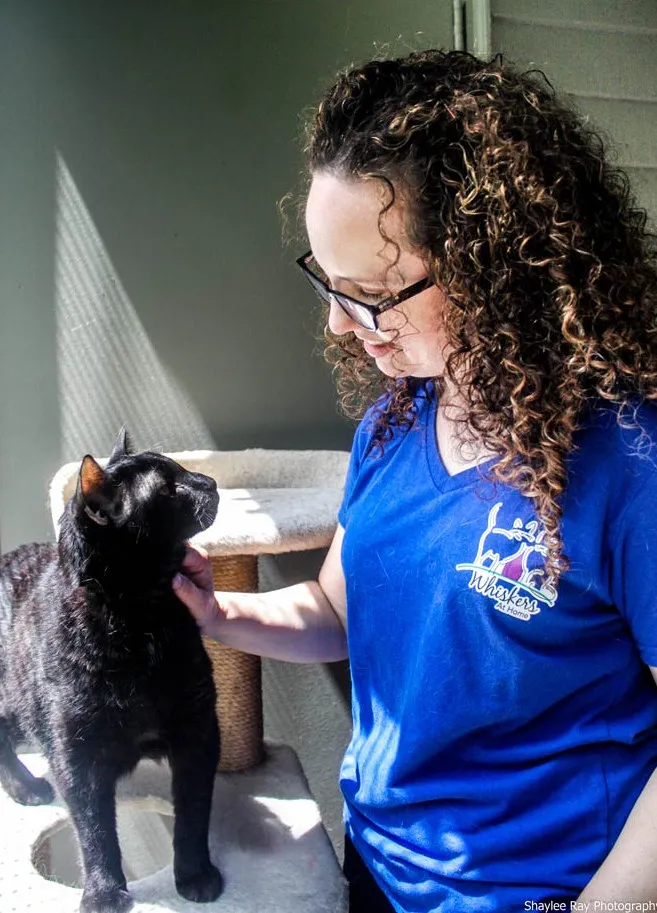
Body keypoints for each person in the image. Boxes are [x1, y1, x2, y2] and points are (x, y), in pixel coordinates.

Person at [173, 49, 657, 912]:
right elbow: (335, 611)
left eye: (377, 291)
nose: (340, 321)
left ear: (502, 265)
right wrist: (220, 613)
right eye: (330, 283)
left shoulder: (628, 460)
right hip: (379, 868)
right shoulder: (392, 424)